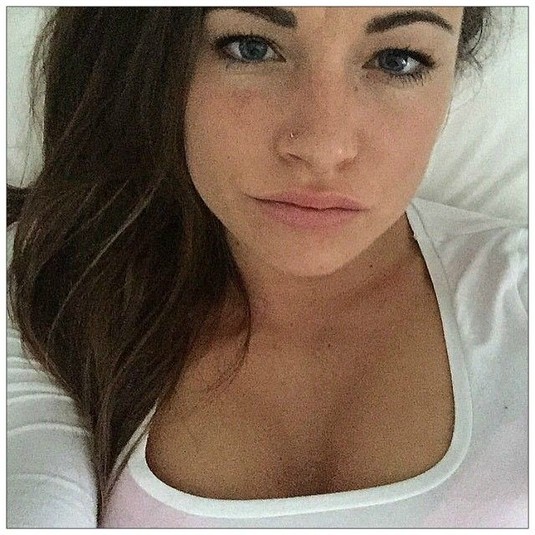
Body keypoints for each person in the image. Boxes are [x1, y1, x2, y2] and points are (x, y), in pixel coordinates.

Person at [7, 7, 527, 528]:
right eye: (251, 49)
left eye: (398, 60)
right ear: (157, 64)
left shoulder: (520, 295)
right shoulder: (57, 282)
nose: (323, 149)